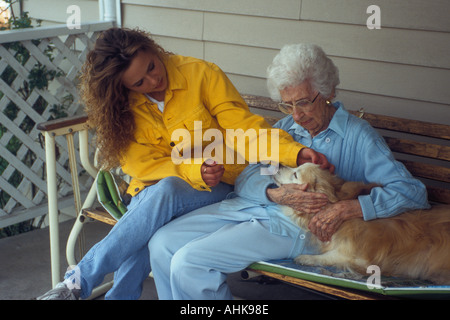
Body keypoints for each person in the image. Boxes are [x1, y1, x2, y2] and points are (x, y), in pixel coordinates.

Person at [37, 29, 330, 300]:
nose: (153, 81)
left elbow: (245, 130)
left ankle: (77, 283)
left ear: (153, 49)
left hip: (218, 186)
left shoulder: (201, 74)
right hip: (152, 193)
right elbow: (140, 165)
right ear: (122, 87)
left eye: (152, 66)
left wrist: (293, 152)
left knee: (161, 199)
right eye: (139, 82)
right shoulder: (121, 106)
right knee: (156, 209)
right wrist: (190, 170)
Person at [148, 43, 430, 299]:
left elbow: (412, 193)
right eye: (288, 104)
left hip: (298, 228)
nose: (297, 115)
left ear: (328, 92)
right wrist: (275, 192)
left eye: (304, 101)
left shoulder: (358, 136)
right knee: (161, 243)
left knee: (190, 261)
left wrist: (347, 209)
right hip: (254, 208)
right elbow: (248, 177)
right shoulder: (285, 129)